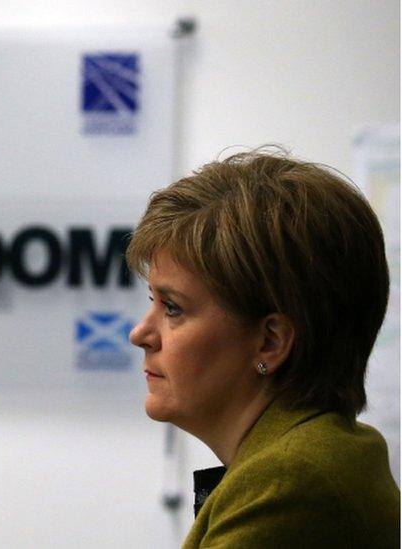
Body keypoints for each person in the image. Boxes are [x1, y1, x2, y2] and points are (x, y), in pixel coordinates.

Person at [125, 148, 400, 548]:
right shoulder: (323, 454)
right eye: (153, 301)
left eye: (172, 308)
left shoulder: (291, 483)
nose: (140, 333)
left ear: (270, 342)